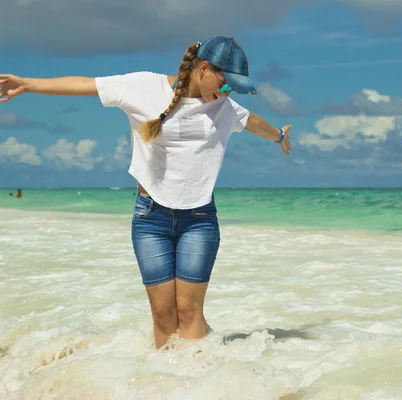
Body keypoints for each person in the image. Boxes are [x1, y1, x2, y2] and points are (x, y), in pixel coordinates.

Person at [0, 36, 292, 349]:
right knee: (164, 314)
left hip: (200, 220)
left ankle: (197, 384)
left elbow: (255, 122)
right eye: (225, 83)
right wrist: (27, 84)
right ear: (204, 68)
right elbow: (87, 83)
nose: (227, 91)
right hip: (150, 219)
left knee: (189, 310)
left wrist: (279, 136)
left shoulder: (224, 108)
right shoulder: (144, 87)